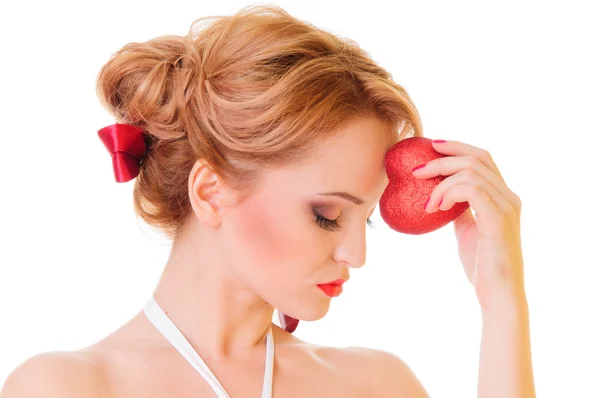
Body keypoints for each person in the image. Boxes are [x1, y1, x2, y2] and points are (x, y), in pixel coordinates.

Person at [0, 4, 535, 398]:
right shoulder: (66, 387)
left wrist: (502, 296)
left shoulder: (377, 384)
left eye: (365, 219)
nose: (356, 254)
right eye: (326, 215)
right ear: (211, 191)